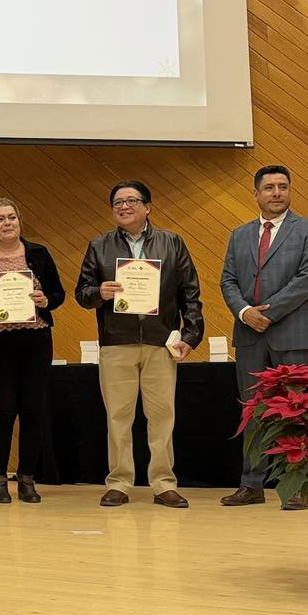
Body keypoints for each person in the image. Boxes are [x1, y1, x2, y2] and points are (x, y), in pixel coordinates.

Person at [75, 181, 204, 509]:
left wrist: (191, 334)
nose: (124, 206)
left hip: (161, 342)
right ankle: (119, 482)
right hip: (116, 343)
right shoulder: (99, 246)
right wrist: (99, 293)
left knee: (162, 416)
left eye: (132, 200)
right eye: (118, 202)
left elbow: (190, 292)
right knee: (118, 417)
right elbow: (82, 293)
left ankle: (163, 484)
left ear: (148, 207)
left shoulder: (172, 242)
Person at [219, 165, 308, 510]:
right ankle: (251, 485)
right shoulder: (239, 234)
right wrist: (244, 312)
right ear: (256, 194)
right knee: (252, 412)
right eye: (269, 187)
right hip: (249, 334)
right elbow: (227, 280)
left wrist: (267, 313)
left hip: (294, 333)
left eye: (283, 186)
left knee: (298, 411)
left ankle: (300, 486)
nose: (277, 193)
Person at [0, 198, 66, 504]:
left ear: (20, 221)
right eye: (0, 219)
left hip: (36, 339)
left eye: (11, 217)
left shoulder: (39, 253)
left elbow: (58, 294)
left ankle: (26, 478)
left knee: (33, 409)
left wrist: (45, 300)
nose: (7, 223)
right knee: (4, 409)